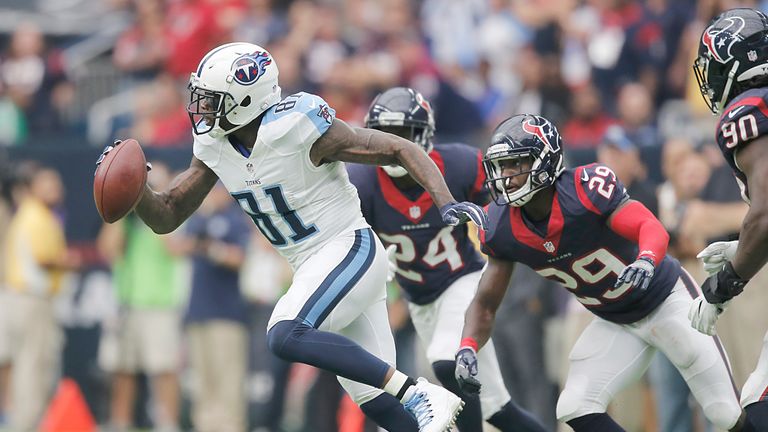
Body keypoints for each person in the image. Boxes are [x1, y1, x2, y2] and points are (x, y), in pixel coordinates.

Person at [96, 42, 485, 432]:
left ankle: (419, 392)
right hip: (314, 267)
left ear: (244, 99)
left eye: (213, 100)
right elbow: (168, 215)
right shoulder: (215, 145)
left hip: (349, 249)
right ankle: (413, 400)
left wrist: (445, 200)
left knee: (284, 333)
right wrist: (137, 191)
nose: (202, 109)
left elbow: (399, 149)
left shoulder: (297, 125)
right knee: (379, 405)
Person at [454, 113, 750, 431]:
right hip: (615, 320)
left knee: (724, 413)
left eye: (516, 164)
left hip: (666, 299)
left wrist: (647, 259)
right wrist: (467, 346)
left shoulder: (584, 191)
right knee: (573, 406)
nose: (507, 176)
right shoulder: (500, 226)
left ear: (545, 160)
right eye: (502, 167)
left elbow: (649, 226)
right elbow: (485, 302)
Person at [347, 87, 548, 432]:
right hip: (420, 301)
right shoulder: (363, 183)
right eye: (385, 135)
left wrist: (491, 231)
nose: (394, 145)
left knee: (445, 359)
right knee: (497, 408)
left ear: (423, 136)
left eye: (402, 135)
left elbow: (504, 206)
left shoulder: (457, 164)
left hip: (463, 281)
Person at [689, 7, 768, 428]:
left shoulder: (749, 109)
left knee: (758, 404)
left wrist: (723, 286)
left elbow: (767, 212)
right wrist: (746, 247)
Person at [97, 162, 183, 432]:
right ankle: (120, 424)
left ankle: (167, 425)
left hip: (159, 303)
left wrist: (153, 204)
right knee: (122, 368)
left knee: (164, 368)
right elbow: (108, 250)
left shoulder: (173, 212)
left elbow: (175, 248)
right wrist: (124, 208)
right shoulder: (127, 219)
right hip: (126, 303)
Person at [3, 166, 80, 431]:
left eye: (56, 185)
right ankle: (25, 424)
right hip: (31, 300)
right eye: (47, 185)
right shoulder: (36, 215)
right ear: (32, 188)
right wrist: (69, 262)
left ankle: (29, 422)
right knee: (32, 368)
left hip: (28, 300)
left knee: (34, 366)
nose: (55, 190)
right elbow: (43, 259)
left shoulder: (37, 214)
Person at [176, 182, 251, 432]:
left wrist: (212, 249)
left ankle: (230, 426)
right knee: (202, 379)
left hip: (227, 313)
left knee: (228, 379)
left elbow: (239, 258)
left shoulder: (235, 219)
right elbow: (178, 248)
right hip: (199, 310)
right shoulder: (198, 219)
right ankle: (205, 426)